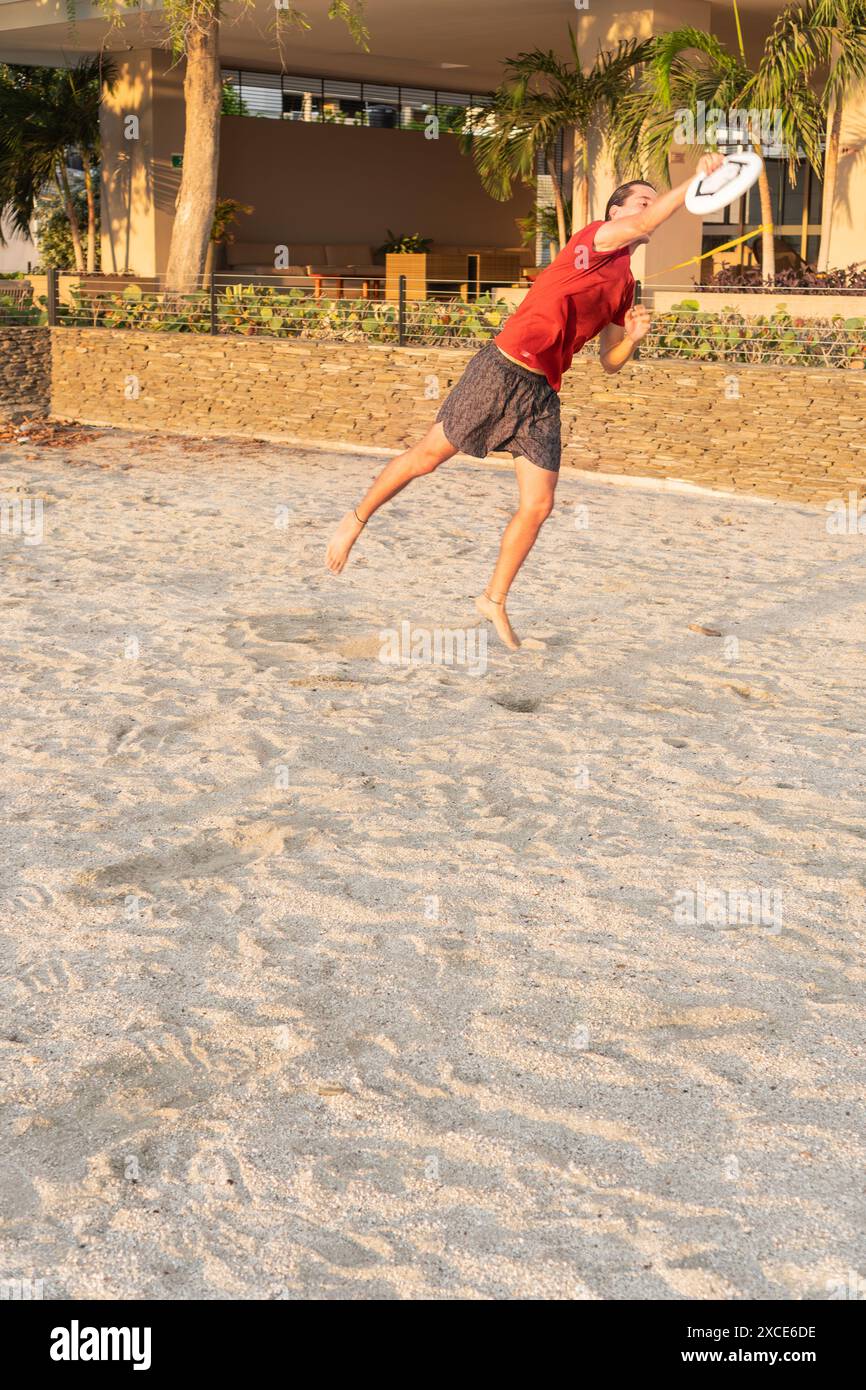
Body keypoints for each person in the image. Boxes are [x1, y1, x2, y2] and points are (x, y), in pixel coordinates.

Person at [326, 154, 725, 650]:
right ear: (617, 212)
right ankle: (356, 519)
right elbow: (648, 220)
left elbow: (610, 360)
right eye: (641, 200)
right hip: (502, 368)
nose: (649, 208)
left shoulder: (626, 283)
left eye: (651, 200)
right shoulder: (594, 240)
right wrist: (697, 179)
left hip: (541, 393)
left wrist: (635, 338)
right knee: (427, 459)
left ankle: (493, 598)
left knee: (539, 504)